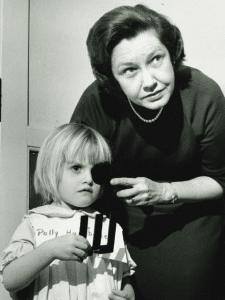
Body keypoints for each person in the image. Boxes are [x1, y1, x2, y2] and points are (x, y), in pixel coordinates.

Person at [70, 4, 225, 300]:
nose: (150, 81)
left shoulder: (205, 94)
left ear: (172, 52)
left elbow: (220, 180)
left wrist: (165, 191)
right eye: (129, 70)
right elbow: (72, 175)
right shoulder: (96, 103)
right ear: (111, 78)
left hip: (190, 215)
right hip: (115, 220)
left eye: (156, 59)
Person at [0, 123, 136, 300]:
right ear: (52, 170)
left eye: (97, 171)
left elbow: (123, 275)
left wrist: (128, 293)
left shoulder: (108, 226)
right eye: (77, 168)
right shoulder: (37, 221)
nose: (88, 179)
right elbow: (10, 280)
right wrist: (48, 251)